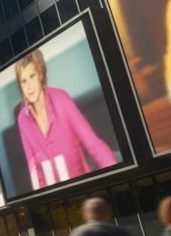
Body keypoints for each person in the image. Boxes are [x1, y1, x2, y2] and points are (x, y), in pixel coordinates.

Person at [12, 49, 118, 192]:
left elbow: (93, 143)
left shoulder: (61, 99)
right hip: (55, 197)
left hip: (83, 187)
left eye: (32, 76)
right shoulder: (22, 120)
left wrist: (116, 175)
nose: (29, 87)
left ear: (41, 75)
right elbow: (34, 169)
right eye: (23, 81)